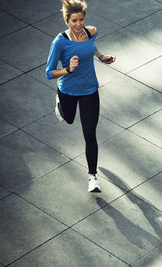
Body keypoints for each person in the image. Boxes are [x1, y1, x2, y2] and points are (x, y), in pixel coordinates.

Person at [45, 0, 115, 192]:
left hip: (90, 90)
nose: (78, 24)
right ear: (67, 20)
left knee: (89, 133)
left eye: (81, 20)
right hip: (67, 90)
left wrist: (102, 57)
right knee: (68, 119)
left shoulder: (91, 32)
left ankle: (93, 177)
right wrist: (67, 69)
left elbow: (91, 47)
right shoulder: (59, 42)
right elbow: (49, 72)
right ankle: (60, 103)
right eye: (74, 20)